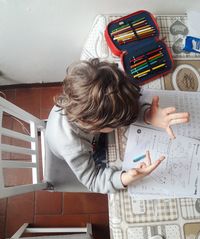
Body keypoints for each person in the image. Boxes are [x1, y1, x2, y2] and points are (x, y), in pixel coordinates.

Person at [45, 58, 189, 194]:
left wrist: (148, 115)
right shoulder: (75, 148)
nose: (120, 126)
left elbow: (121, 104)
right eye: (117, 124)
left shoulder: (93, 85)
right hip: (76, 149)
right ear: (95, 125)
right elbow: (93, 180)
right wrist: (125, 178)